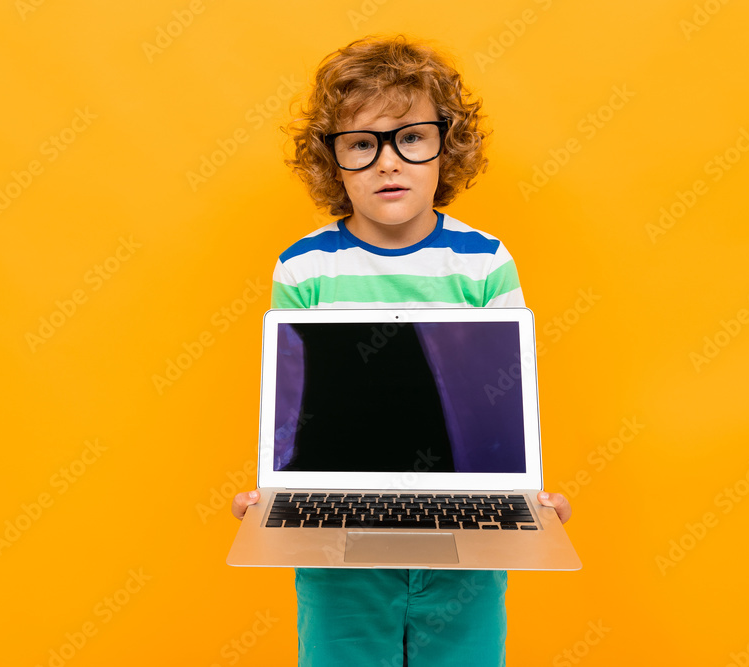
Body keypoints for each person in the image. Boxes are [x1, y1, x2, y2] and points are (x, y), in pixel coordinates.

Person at [231, 34, 572, 667]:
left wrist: (530, 492)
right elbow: (297, 401)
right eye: (362, 144)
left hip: (466, 524)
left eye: (411, 138)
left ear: (448, 144)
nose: (389, 163)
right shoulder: (303, 268)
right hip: (337, 538)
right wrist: (271, 488)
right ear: (333, 162)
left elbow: (499, 401)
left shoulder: (484, 261)